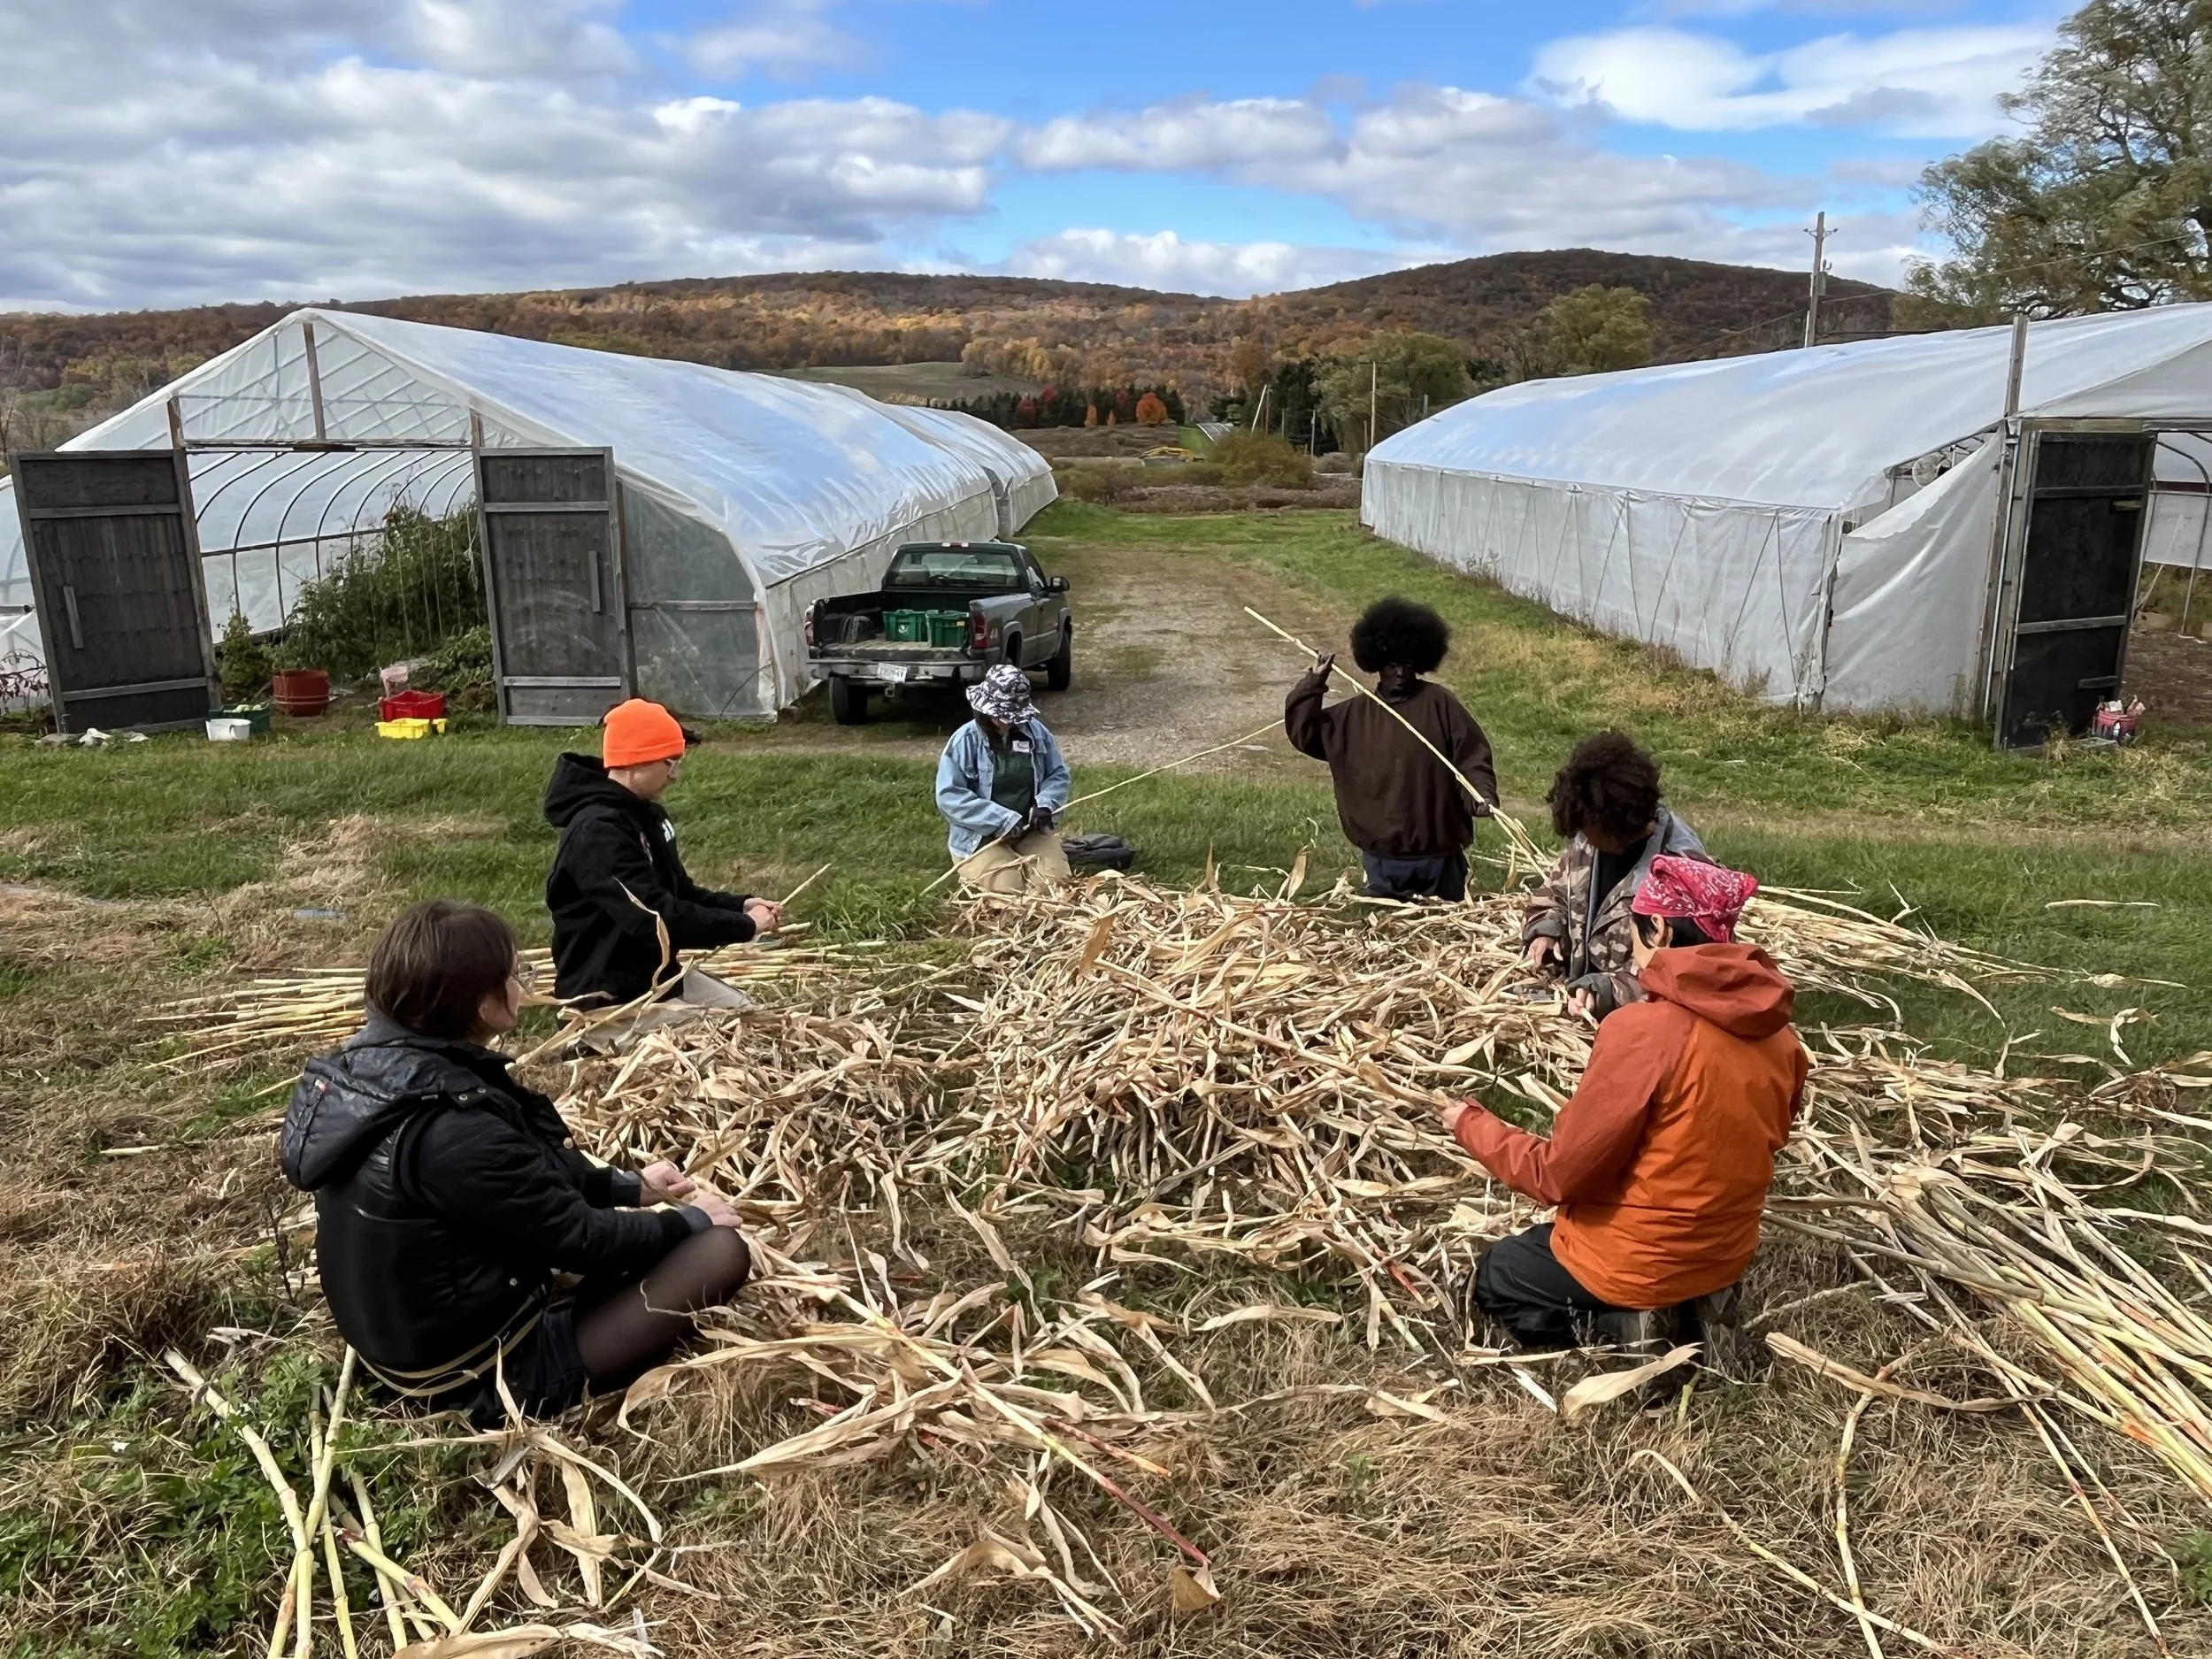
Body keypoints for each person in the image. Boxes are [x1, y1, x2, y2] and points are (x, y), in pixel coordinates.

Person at [280, 901, 752, 1422]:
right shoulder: (454, 1130)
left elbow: (516, 1184)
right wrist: (687, 1221)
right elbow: (583, 1241)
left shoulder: (375, 1072)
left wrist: (626, 1188)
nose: (521, 983)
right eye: (512, 974)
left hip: (413, 1345)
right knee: (719, 1252)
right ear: (484, 1007)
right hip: (471, 1377)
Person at [1446, 856, 1804, 1353]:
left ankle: (1625, 1327)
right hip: (1725, 1252)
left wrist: (1471, 1125)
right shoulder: (1782, 1040)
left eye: (1634, 929)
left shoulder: (1643, 1032)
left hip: (1640, 1259)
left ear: (1657, 929)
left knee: (1498, 1276)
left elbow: (1561, 1176)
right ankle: (1699, 1302)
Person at [543, 698, 781, 1011]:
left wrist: (740, 905)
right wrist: (745, 926)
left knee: (750, 1014)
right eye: (669, 762)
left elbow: (679, 892)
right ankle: (588, 1043)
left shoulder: (647, 815)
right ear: (636, 759)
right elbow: (654, 918)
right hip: (611, 998)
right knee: (726, 1030)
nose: (675, 775)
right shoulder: (598, 832)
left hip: (658, 979)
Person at [1284, 596, 1497, 902]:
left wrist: (1481, 796)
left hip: (1440, 857)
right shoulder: (1354, 715)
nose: (1400, 673)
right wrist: (1313, 683)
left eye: (1407, 665)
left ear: (1420, 663)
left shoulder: (1441, 704)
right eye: (1392, 665)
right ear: (1377, 665)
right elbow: (1305, 732)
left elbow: (1472, 758)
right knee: (1391, 941)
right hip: (1383, 860)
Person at [1523, 732, 1704, 1020]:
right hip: (1580, 1009)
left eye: (1589, 831)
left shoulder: (1682, 872)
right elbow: (1555, 892)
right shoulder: (1591, 836)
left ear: (1615, 825)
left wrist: (1606, 991)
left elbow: (1679, 975)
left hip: (1635, 1027)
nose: (1582, 837)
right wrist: (1546, 929)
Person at [937, 663, 1072, 895]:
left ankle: (1033, 859)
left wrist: (1046, 804)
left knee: (1054, 888)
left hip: (1030, 831)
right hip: (980, 838)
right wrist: (1002, 820)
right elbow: (950, 797)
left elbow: (1058, 775)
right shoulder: (964, 741)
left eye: (1013, 716)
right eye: (1001, 715)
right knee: (1009, 891)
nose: (1008, 722)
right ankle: (981, 866)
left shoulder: (1036, 732)